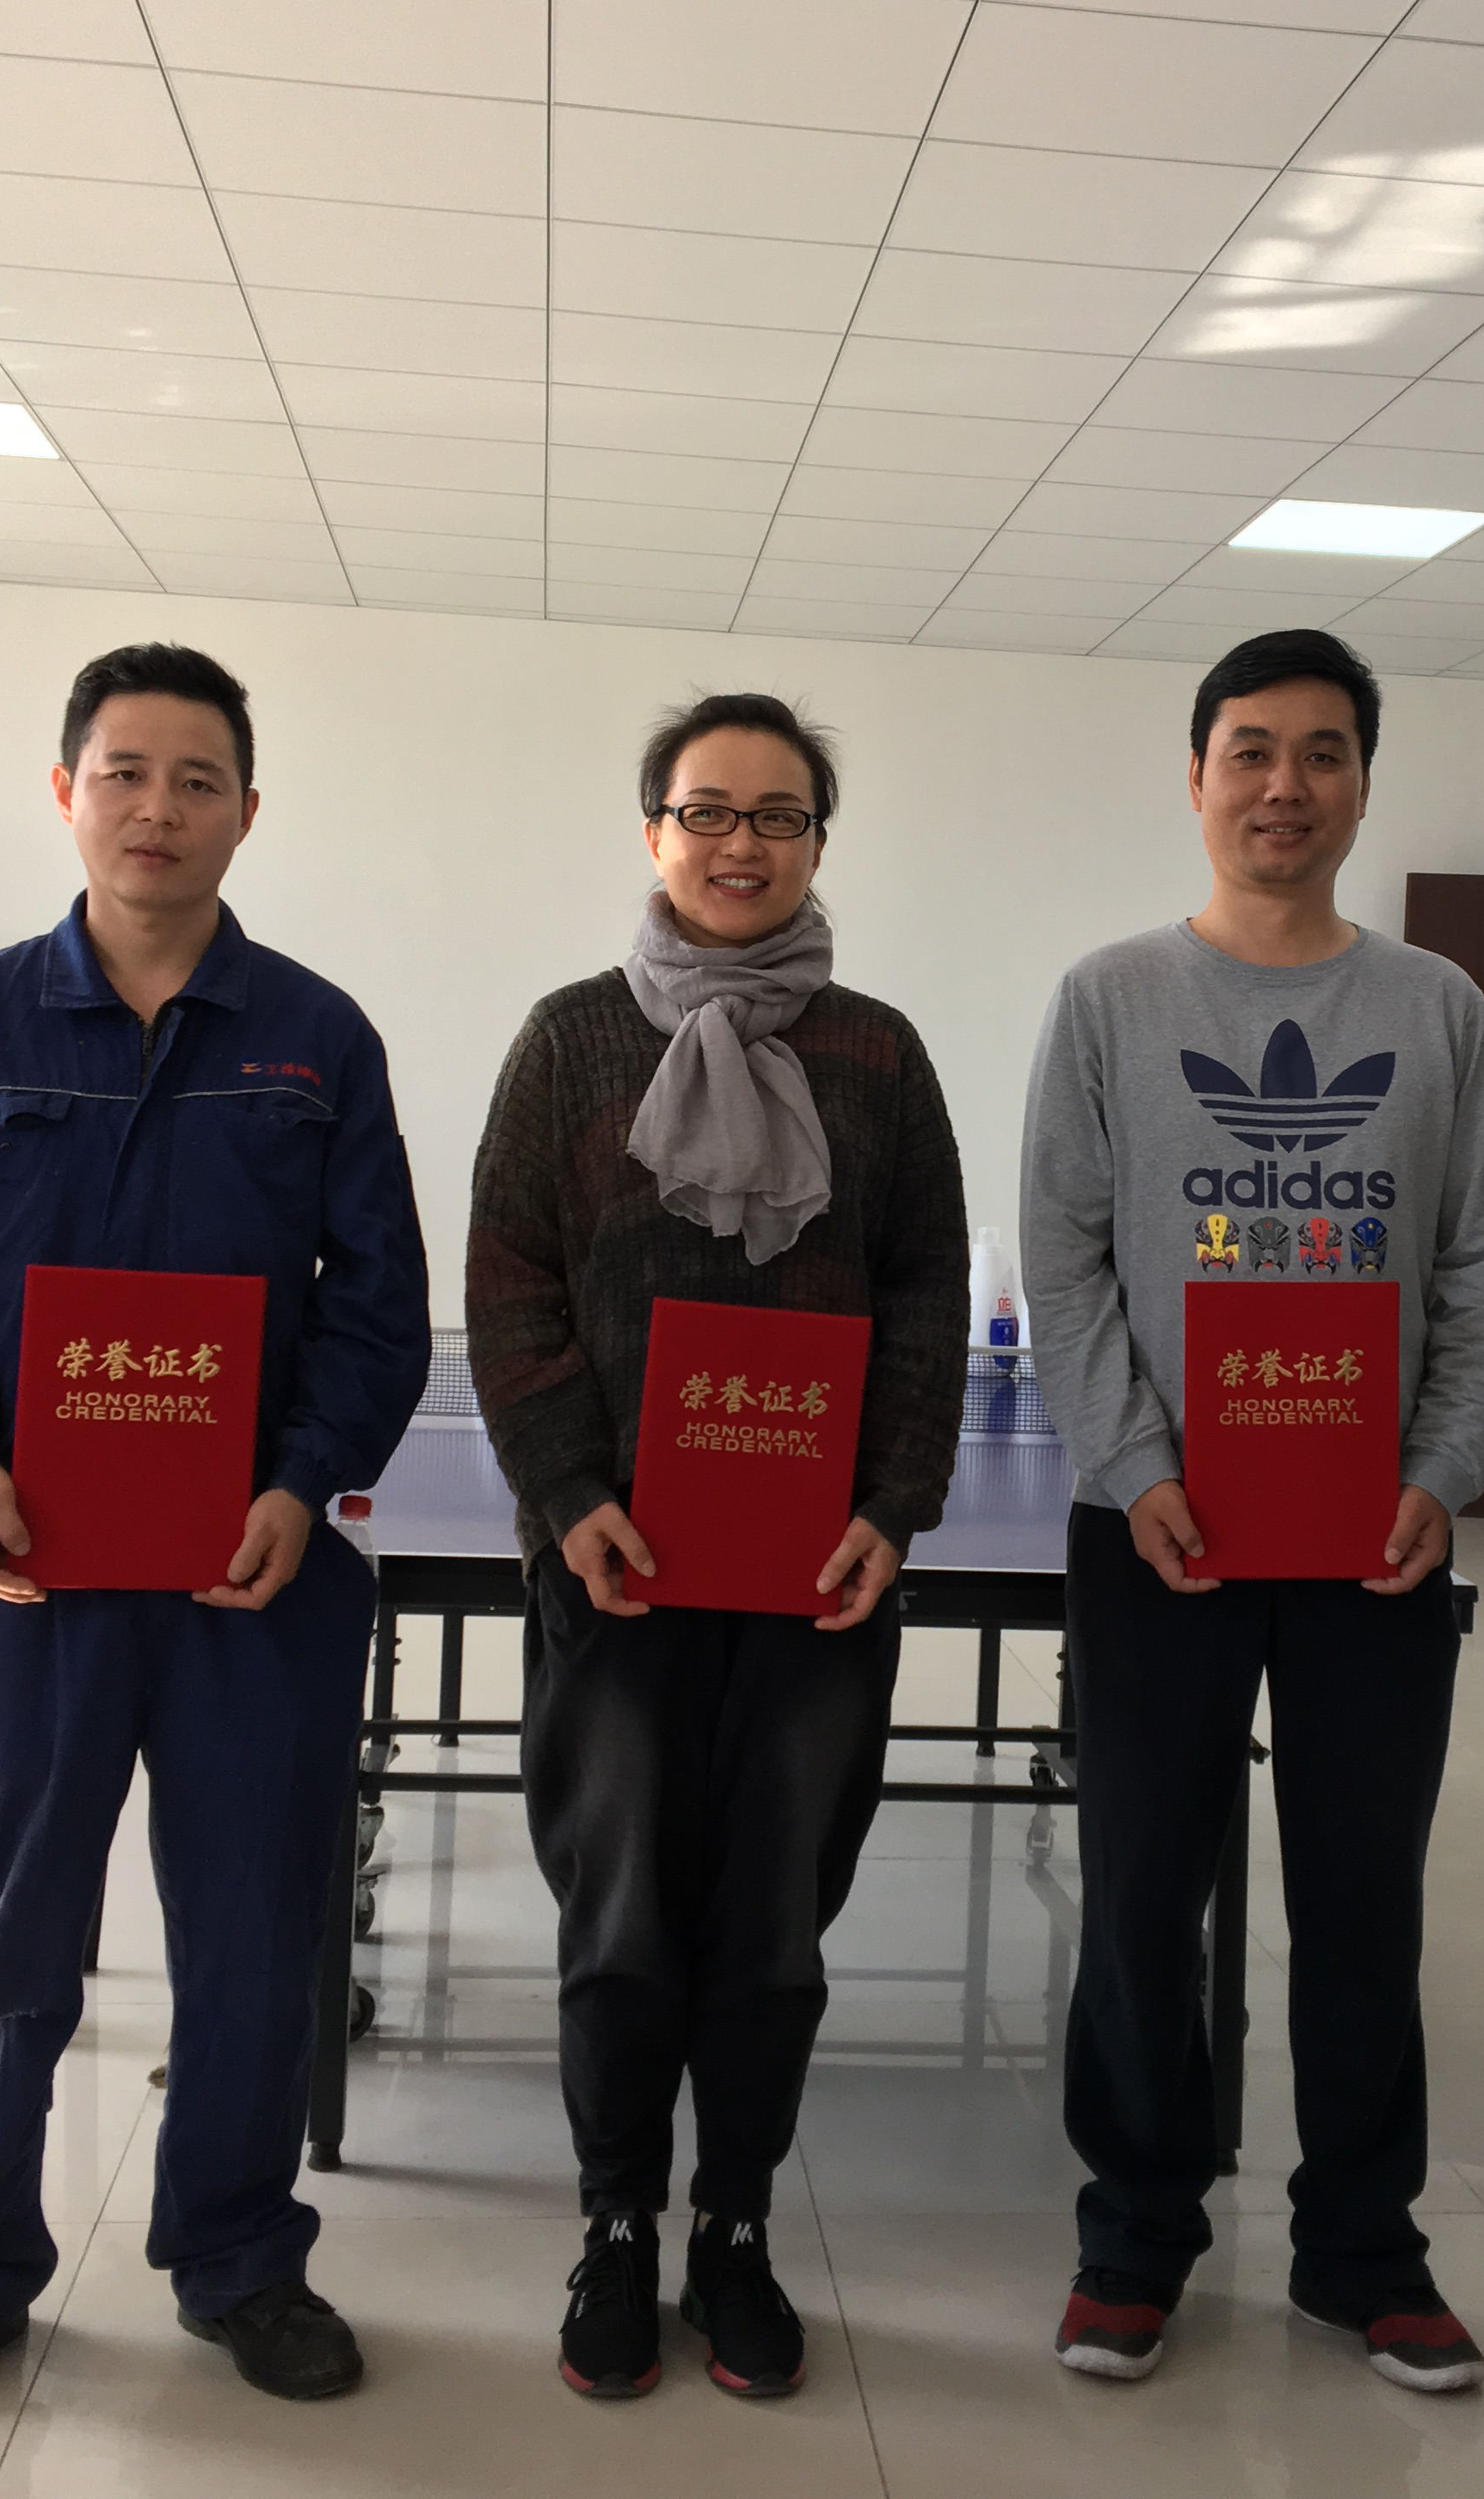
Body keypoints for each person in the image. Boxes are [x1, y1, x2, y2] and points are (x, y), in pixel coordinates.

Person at [0, 644, 430, 2426]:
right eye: (125, 771)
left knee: (253, 1935)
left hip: (256, 1578)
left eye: (197, 779)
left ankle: (238, 2256)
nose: (158, 808)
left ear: (248, 810)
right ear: (65, 790)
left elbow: (377, 1304)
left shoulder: (317, 1040)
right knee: (2, 1941)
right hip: (33, 1580)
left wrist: (302, 1482)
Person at [1020, 629, 1484, 2395]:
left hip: (1372, 1539)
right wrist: (1137, 1466)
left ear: (1363, 786)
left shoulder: (1440, 1009)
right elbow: (1066, 1259)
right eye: (1250, 749)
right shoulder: (1109, 998)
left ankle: (1364, 2248)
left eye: (1323, 753)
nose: (1284, 785)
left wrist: (1441, 1473)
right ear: (1196, 777)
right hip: (1156, 1529)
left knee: (1364, 1903)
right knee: (1141, 1892)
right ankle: (1135, 2233)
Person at [468, 690, 970, 2402]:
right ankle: (617, 2221)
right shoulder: (568, 1041)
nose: (741, 843)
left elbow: (926, 1289)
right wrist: (568, 1494)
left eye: (778, 815)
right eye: (708, 811)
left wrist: (890, 1507)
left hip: (820, 1578)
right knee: (618, 1917)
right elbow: (510, 1281)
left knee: (773, 1926)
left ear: (819, 842)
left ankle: (734, 2225)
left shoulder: (881, 1054)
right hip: (613, 1567)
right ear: (654, 831)